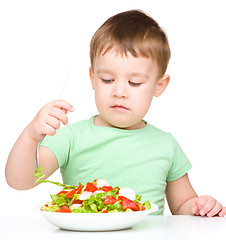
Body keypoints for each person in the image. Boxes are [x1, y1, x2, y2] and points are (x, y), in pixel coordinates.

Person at [5, 9, 226, 217]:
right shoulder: (71, 137)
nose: (119, 92)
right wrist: (31, 135)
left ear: (160, 85)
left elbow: (181, 206)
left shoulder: (166, 145)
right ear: (92, 78)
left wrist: (199, 206)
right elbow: (19, 181)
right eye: (107, 80)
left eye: (135, 82)